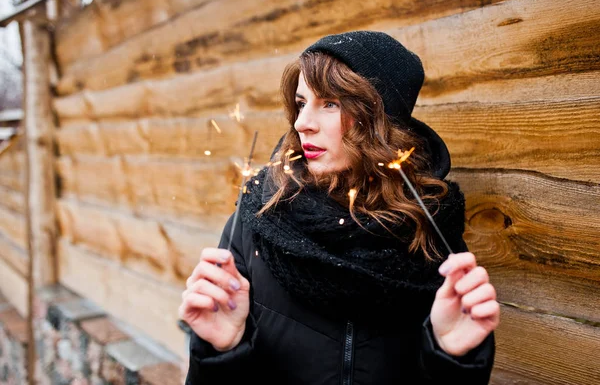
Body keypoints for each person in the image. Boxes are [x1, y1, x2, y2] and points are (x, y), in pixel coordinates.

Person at [179, 30, 500, 384]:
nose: (302, 123)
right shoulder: (258, 217)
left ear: (380, 121)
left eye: (329, 103)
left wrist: (451, 358)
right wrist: (222, 351)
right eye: (302, 103)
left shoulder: (429, 228)